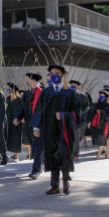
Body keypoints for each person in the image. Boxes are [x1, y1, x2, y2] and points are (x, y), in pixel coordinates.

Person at [32, 65, 81, 195]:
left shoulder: (70, 93)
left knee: (64, 154)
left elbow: (78, 112)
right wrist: (36, 126)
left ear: (63, 75)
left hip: (65, 130)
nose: (54, 75)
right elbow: (39, 110)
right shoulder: (46, 92)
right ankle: (54, 186)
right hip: (49, 130)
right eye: (52, 73)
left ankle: (65, 183)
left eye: (57, 73)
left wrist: (65, 115)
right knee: (52, 154)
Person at [20, 73, 44, 179]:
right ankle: (40, 165)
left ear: (34, 81)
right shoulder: (31, 92)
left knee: (37, 146)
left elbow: (41, 110)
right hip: (31, 123)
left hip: (39, 123)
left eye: (29, 80)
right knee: (35, 145)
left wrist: (37, 125)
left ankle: (36, 169)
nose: (28, 82)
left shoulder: (41, 92)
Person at [88, 90, 109, 160]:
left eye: (103, 96)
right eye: (100, 95)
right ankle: (106, 152)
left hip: (104, 124)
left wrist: (102, 113)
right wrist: (89, 121)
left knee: (102, 138)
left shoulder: (108, 106)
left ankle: (98, 154)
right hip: (96, 124)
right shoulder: (95, 105)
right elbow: (91, 114)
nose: (101, 97)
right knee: (99, 139)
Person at [69, 80, 90, 160]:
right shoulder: (68, 94)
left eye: (74, 85)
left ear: (78, 86)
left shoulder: (82, 96)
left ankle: (75, 154)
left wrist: (78, 115)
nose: (72, 86)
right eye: (71, 85)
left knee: (76, 138)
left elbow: (86, 108)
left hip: (78, 120)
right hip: (69, 118)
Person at [7, 83, 24, 162]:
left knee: (16, 137)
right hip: (8, 121)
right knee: (7, 137)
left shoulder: (19, 99)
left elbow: (21, 110)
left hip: (16, 121)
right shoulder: (7, 99)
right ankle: (4, 155)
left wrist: (19, 119)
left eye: (9, 88)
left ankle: (16, 156)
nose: (8, 89)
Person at [0, 80, 9, 165]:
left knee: (0, 139)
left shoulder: (0, 94)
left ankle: (4, 156)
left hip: (0, 120)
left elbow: (2, 109)